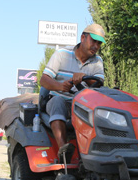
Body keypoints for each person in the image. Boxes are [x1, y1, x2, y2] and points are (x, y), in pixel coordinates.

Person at [39, 23, 105, 157]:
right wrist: (61, 86)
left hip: (82, 104)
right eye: (93, 41)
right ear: (82, 37)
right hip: (59, 100)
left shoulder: (97, 61)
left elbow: (99, 84)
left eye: (99, 44)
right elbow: (44, 80)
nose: (96, 46)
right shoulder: (61, 54)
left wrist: (84, 78)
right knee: (57, 101)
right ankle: (63, 151)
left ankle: (98, 154)